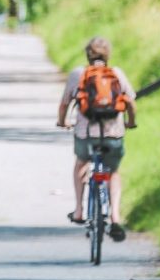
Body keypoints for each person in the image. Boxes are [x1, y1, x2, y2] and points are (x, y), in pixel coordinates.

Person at [56, 36, 137, 242]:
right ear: (107, 54)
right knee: (113, 172)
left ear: (87, 54)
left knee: (81, 164)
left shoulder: (78, 74)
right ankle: (115, 216)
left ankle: (79, 210)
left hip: (86, 134)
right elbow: (130, 101)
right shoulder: (116, 74)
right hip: (113, 134)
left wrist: (62, 122)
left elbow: (65, 103)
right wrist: (130, 122)